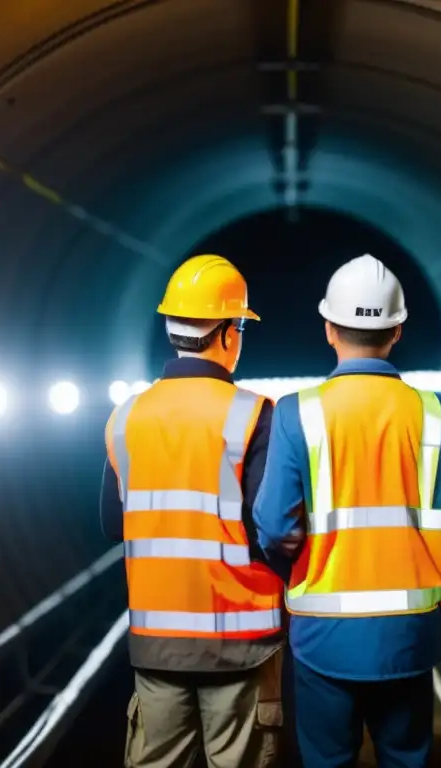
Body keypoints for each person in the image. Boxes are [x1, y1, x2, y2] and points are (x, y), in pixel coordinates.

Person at [253, 254, 441, 768]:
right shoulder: (436, 416)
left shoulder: (298, 412)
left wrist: (301, 564)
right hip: (409, 635)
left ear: (329, 329)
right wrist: (421, 556)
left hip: (323, 637)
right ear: (397, 331)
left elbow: (273, 526)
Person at [101, 254, 285, 768]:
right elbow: (271, 527)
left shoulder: (127, 417)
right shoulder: (253, 414)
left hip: (156, 641)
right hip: (241, 638)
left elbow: (111, 523)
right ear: (228, 333)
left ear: (171, 327)